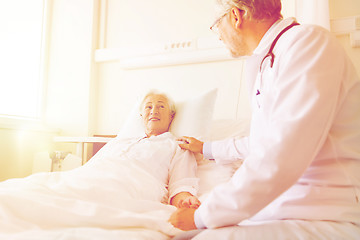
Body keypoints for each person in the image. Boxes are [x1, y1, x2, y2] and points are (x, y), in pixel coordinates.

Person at [169, 0, 360, 237]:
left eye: (216, 25)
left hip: (319, 213)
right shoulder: (267, 61)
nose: (218, 35)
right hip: (280, 209)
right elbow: (263, 142)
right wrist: (206, 148)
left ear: (236, 16)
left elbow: (282, 152)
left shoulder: (307, 43)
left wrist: (202, 216)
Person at [0, 90, 200, 233]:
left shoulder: (177, 145)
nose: (153, 110)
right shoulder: (120, 141)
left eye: (160, 106)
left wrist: (183, 198)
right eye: (148, 106)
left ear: (171, 115)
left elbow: (181, 183)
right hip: (89, 177)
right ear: (141, 115)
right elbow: (90, 168)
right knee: (21, 192)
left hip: (132, 184)